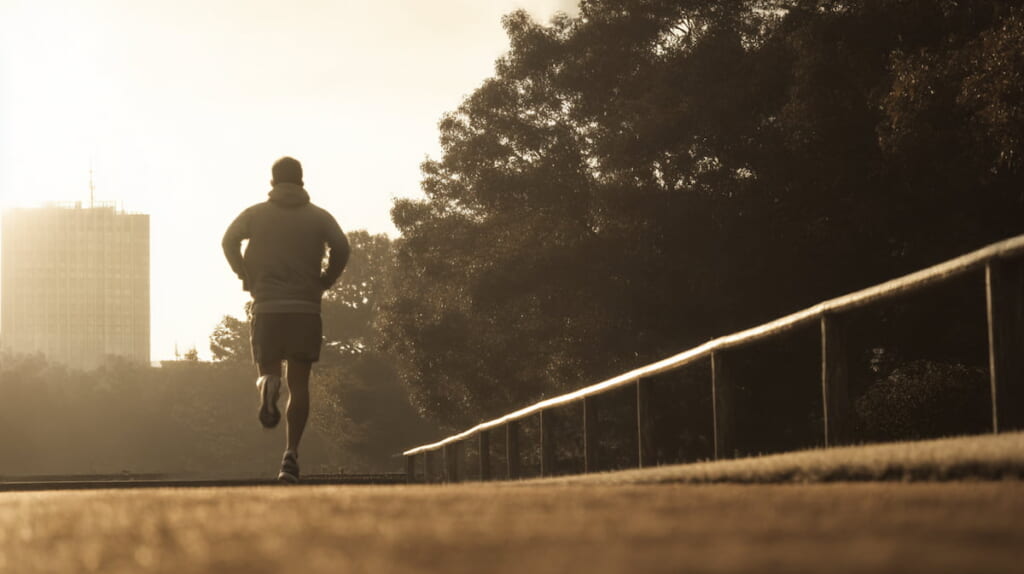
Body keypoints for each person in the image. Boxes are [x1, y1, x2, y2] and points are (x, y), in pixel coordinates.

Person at [222, 156, 350, 483]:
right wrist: (325, 280)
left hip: (267, 306)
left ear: (273, 181)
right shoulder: (319, 217)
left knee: (269, 370)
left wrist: (245, 273)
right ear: (301, 180)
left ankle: (268, 385)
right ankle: (291, 455)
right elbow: (342, 247)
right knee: (300, 383)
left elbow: (228, 240)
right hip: (305, 308)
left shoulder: (255, 214)